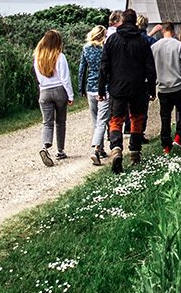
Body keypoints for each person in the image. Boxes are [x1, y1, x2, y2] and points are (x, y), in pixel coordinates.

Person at [99, 9, 156, 173]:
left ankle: (116, 149)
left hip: (117, 87)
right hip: (138, 87)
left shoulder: (112, 40)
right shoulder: (142, 41)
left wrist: (101, 89)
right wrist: (152, 89)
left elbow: (104, 66)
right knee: (136, 119)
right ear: (135, 22)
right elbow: (150, 67)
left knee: (115, 120)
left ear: (122, 21)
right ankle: (134, 153)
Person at [32, 30, 74, 166]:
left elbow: (39, 78)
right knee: (60, 122)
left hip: (44, 91)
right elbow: (65, 78)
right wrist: (70, 95)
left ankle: (45, 146)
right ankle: (60, 150)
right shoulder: (59, 56)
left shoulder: (37, 57)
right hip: (59, 91)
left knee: (47, 122)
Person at [152, 22, 181, 153]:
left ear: (162, 31)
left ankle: (166, 146)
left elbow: (151, 67)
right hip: (178, 86)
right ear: (174, 31)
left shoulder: (154, 47)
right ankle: (179, 137)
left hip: (163, 88)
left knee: (165, 117)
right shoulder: (179, 45)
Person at [76, 25, 110, 166]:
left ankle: (101, 149)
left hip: (90, 88)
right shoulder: (105, 49)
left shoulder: (86, 49)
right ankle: (96, 149)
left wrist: (80, 88)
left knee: (96, 120)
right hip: (104, 88)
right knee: (102, 120)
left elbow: (82, 70)